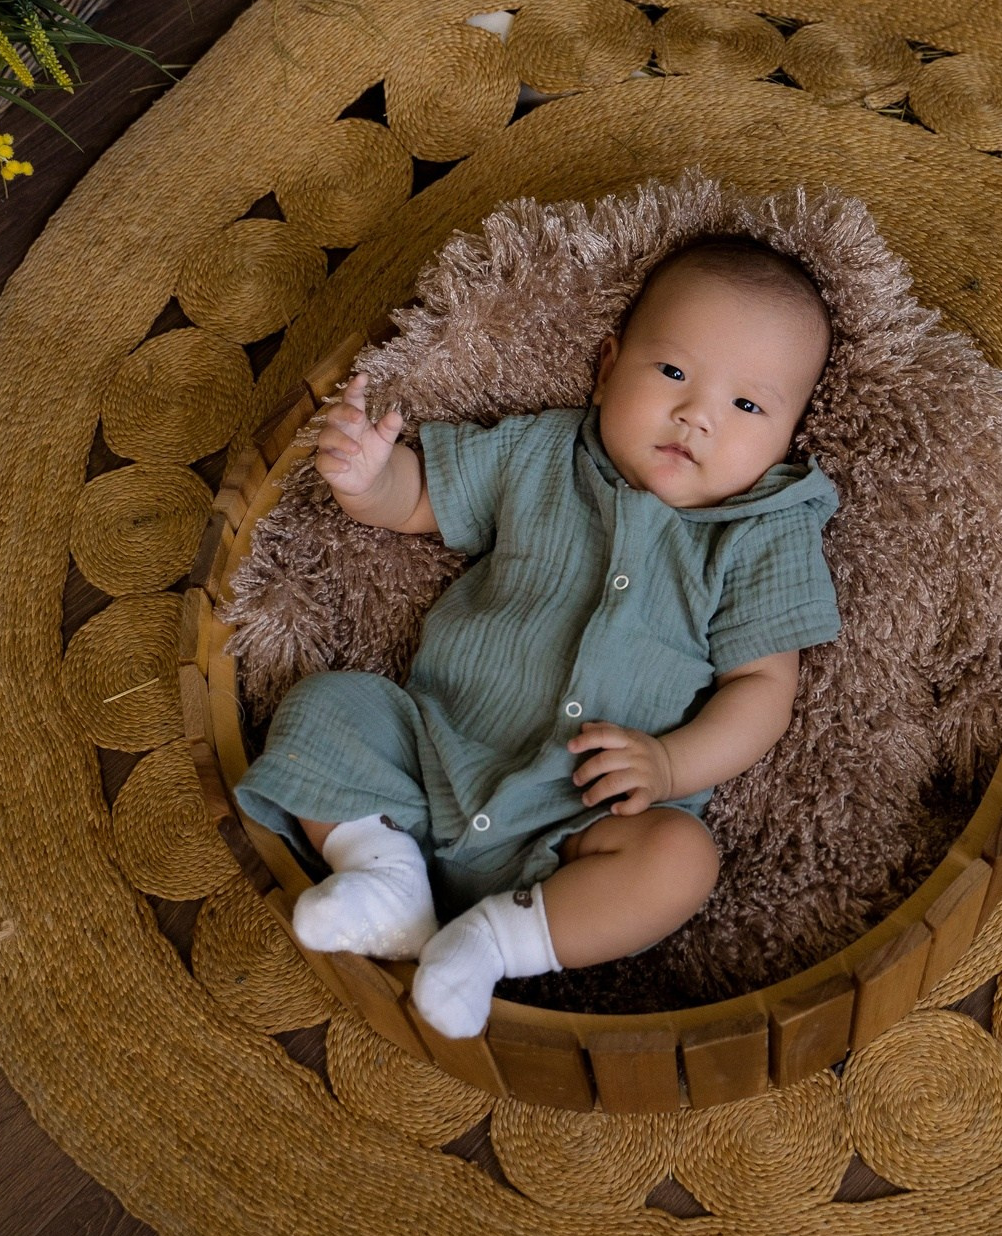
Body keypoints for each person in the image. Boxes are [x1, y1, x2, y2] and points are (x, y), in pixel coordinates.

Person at [232, 235, 841, 1037]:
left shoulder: (761, 533)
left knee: (682, 860)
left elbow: (762, 690)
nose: (697, 415)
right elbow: (420, 499)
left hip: (584, 815)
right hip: (437, 750)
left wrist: (669, 764)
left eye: (748, 407)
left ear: (789, 437)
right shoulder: (543, 450)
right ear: (607, 368)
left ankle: (491, 943)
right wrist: (370, 478)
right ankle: (384, 873)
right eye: (672, 372)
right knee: (324, 707)